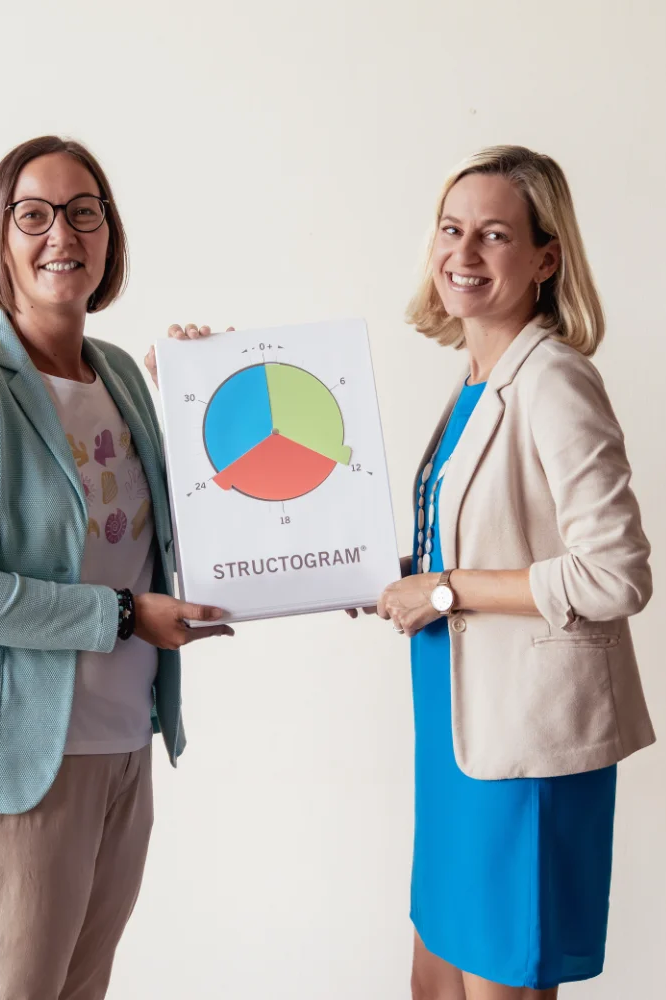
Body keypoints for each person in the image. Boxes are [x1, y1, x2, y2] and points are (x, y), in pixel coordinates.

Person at [0, 135, 234, 1000]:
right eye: (33, 214)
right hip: (3, 776)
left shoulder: (121, 377)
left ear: (110, 233)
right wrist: (121, 616)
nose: (61, 234)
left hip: (120, 752)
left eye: (84, 212)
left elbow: (168, 536)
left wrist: (206, 395)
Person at [361, 145, 655, 998]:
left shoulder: (554, 380)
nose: (463, 252)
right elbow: (467, 541)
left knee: (501, 982)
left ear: (544, 259)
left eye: (493, 234)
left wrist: (445, 590)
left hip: (524, 750)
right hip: (455, 731)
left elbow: (615, 574)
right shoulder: (474, 383)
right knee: (433, 982)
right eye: (450, 229)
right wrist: (388, 573)